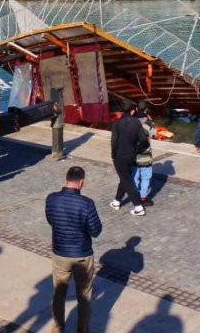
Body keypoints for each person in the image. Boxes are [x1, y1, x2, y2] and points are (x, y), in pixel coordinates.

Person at [45, 166, 102, 333]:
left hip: (60, 255)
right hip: (82, 256)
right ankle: (82, 330)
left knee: (59, 293)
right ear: (81, 182)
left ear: (66, 179)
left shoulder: (51, 199)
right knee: (84, 297)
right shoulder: (87, 204)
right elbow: (96, 231)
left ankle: (58, 327)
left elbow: (50, 220)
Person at [110, 103, 147, 216]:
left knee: (127, 181)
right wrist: (137, 150)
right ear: (132, 111)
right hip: (132, 155)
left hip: (120, 155)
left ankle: (138, 207)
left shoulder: (116, 123)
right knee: (124, 177)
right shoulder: (136, 122)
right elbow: (143, 140)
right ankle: (116, 201)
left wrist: (113, 155)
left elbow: (114, 142)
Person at [134, 101, 155, 207]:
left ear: (136, 109)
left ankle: (134, 195)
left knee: (135, 176)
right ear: (146, 110)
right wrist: (151, 121)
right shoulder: (149, 123)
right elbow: (154, 135)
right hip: (145, 155)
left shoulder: (131, 121)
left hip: (133, 154)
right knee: (146, 177)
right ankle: (143, 197)